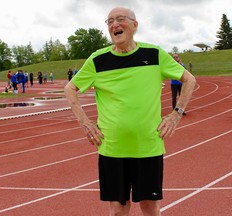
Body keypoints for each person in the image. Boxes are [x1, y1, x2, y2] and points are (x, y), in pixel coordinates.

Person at [64, 7, 196, 216]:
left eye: (120, 19)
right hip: (112, 148)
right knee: (118, 209)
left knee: (150, 207)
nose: (114, 25)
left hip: (148, 147)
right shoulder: (98, 60)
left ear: (135, 25)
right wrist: (85, 122)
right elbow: (70, 88)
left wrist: (176, 114)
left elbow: (190, 79)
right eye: (109, 21)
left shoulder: (154, 54)